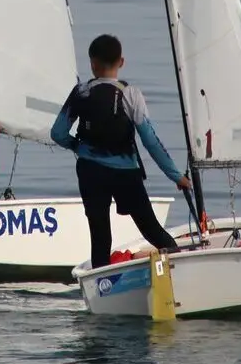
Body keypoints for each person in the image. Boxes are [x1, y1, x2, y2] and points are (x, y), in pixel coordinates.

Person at [51, 34, 193, 269]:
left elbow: (57, 133)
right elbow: (151, 142)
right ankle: (178, 271)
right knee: (151, 230)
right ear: (122, 62)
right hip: (126, 174)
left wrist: (77, 146)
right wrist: (176, 176)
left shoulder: (81, 92)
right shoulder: (131, 94)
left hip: (90, 172)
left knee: (100, 237)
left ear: (92, 63)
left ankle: (102, 284)